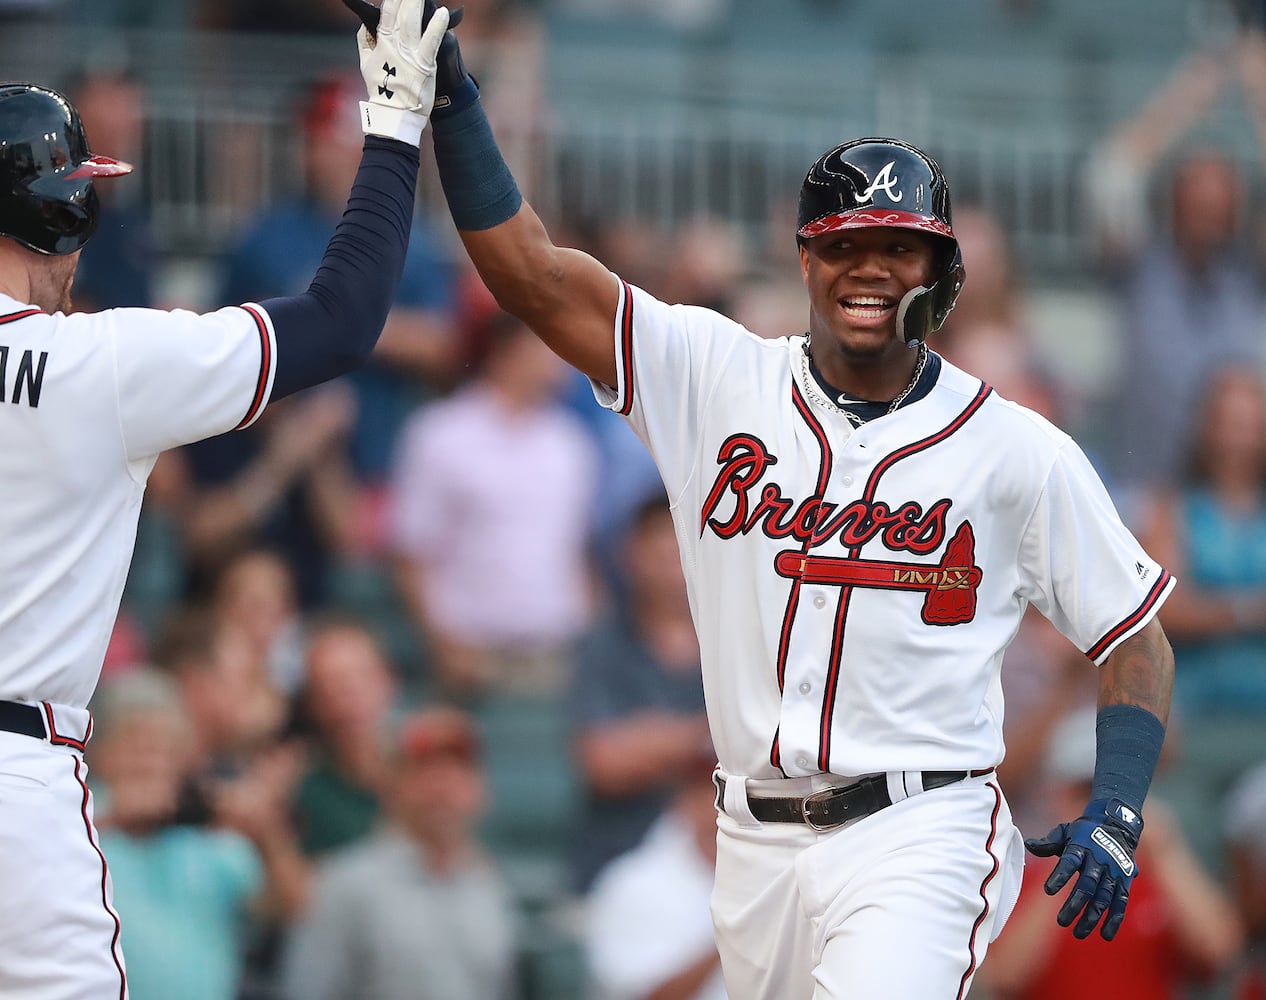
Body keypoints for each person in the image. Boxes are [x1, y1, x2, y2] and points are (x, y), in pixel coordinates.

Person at [408, 11, 1179, 996]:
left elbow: (1134, 632)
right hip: (749, 838)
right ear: (807, 257)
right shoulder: (713, 374)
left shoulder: (1013, 447)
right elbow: (534, 277)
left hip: (920, 825)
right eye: (847, 242)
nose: (872, 268)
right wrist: (455, 101)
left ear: (940, 274)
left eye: (901, 248)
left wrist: (1116, 801)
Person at [0, 3, 453, 995]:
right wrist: (393, 124)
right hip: (16, 781)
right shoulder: (99, 360)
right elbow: (342, 319)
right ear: (62, 216)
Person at [979, 705, 1243, 1000]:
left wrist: (1168, 852)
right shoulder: (1022, 879)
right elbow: (1001, 979)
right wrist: (1069, 868)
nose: (1101, 807)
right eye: (1086, 791)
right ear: (1056, 795)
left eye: (1115, 793)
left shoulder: (1159, 872)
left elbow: (1221, 953)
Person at [279, 705, 519, 1000]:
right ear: (392, 783)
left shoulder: (488, 886)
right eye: (426, 770)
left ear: (480, 788)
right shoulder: (346, 884)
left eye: (459, 771)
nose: (443, 787)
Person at [569, 492, 710, 893]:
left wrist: (652, 740)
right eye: (660, 552)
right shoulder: (603, 645)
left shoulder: (736, 642)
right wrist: (705, 738)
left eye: (682, 551)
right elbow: (605, 761)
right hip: (619, 859)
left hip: (721, 864)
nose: (672, 568)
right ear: (632, 555)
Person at [584, 754, 729, 1000]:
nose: (724, 804)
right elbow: (642, 995)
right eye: (713, 788)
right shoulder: (631, 884)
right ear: (684, 799)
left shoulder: (792, 872)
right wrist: (732, 937)